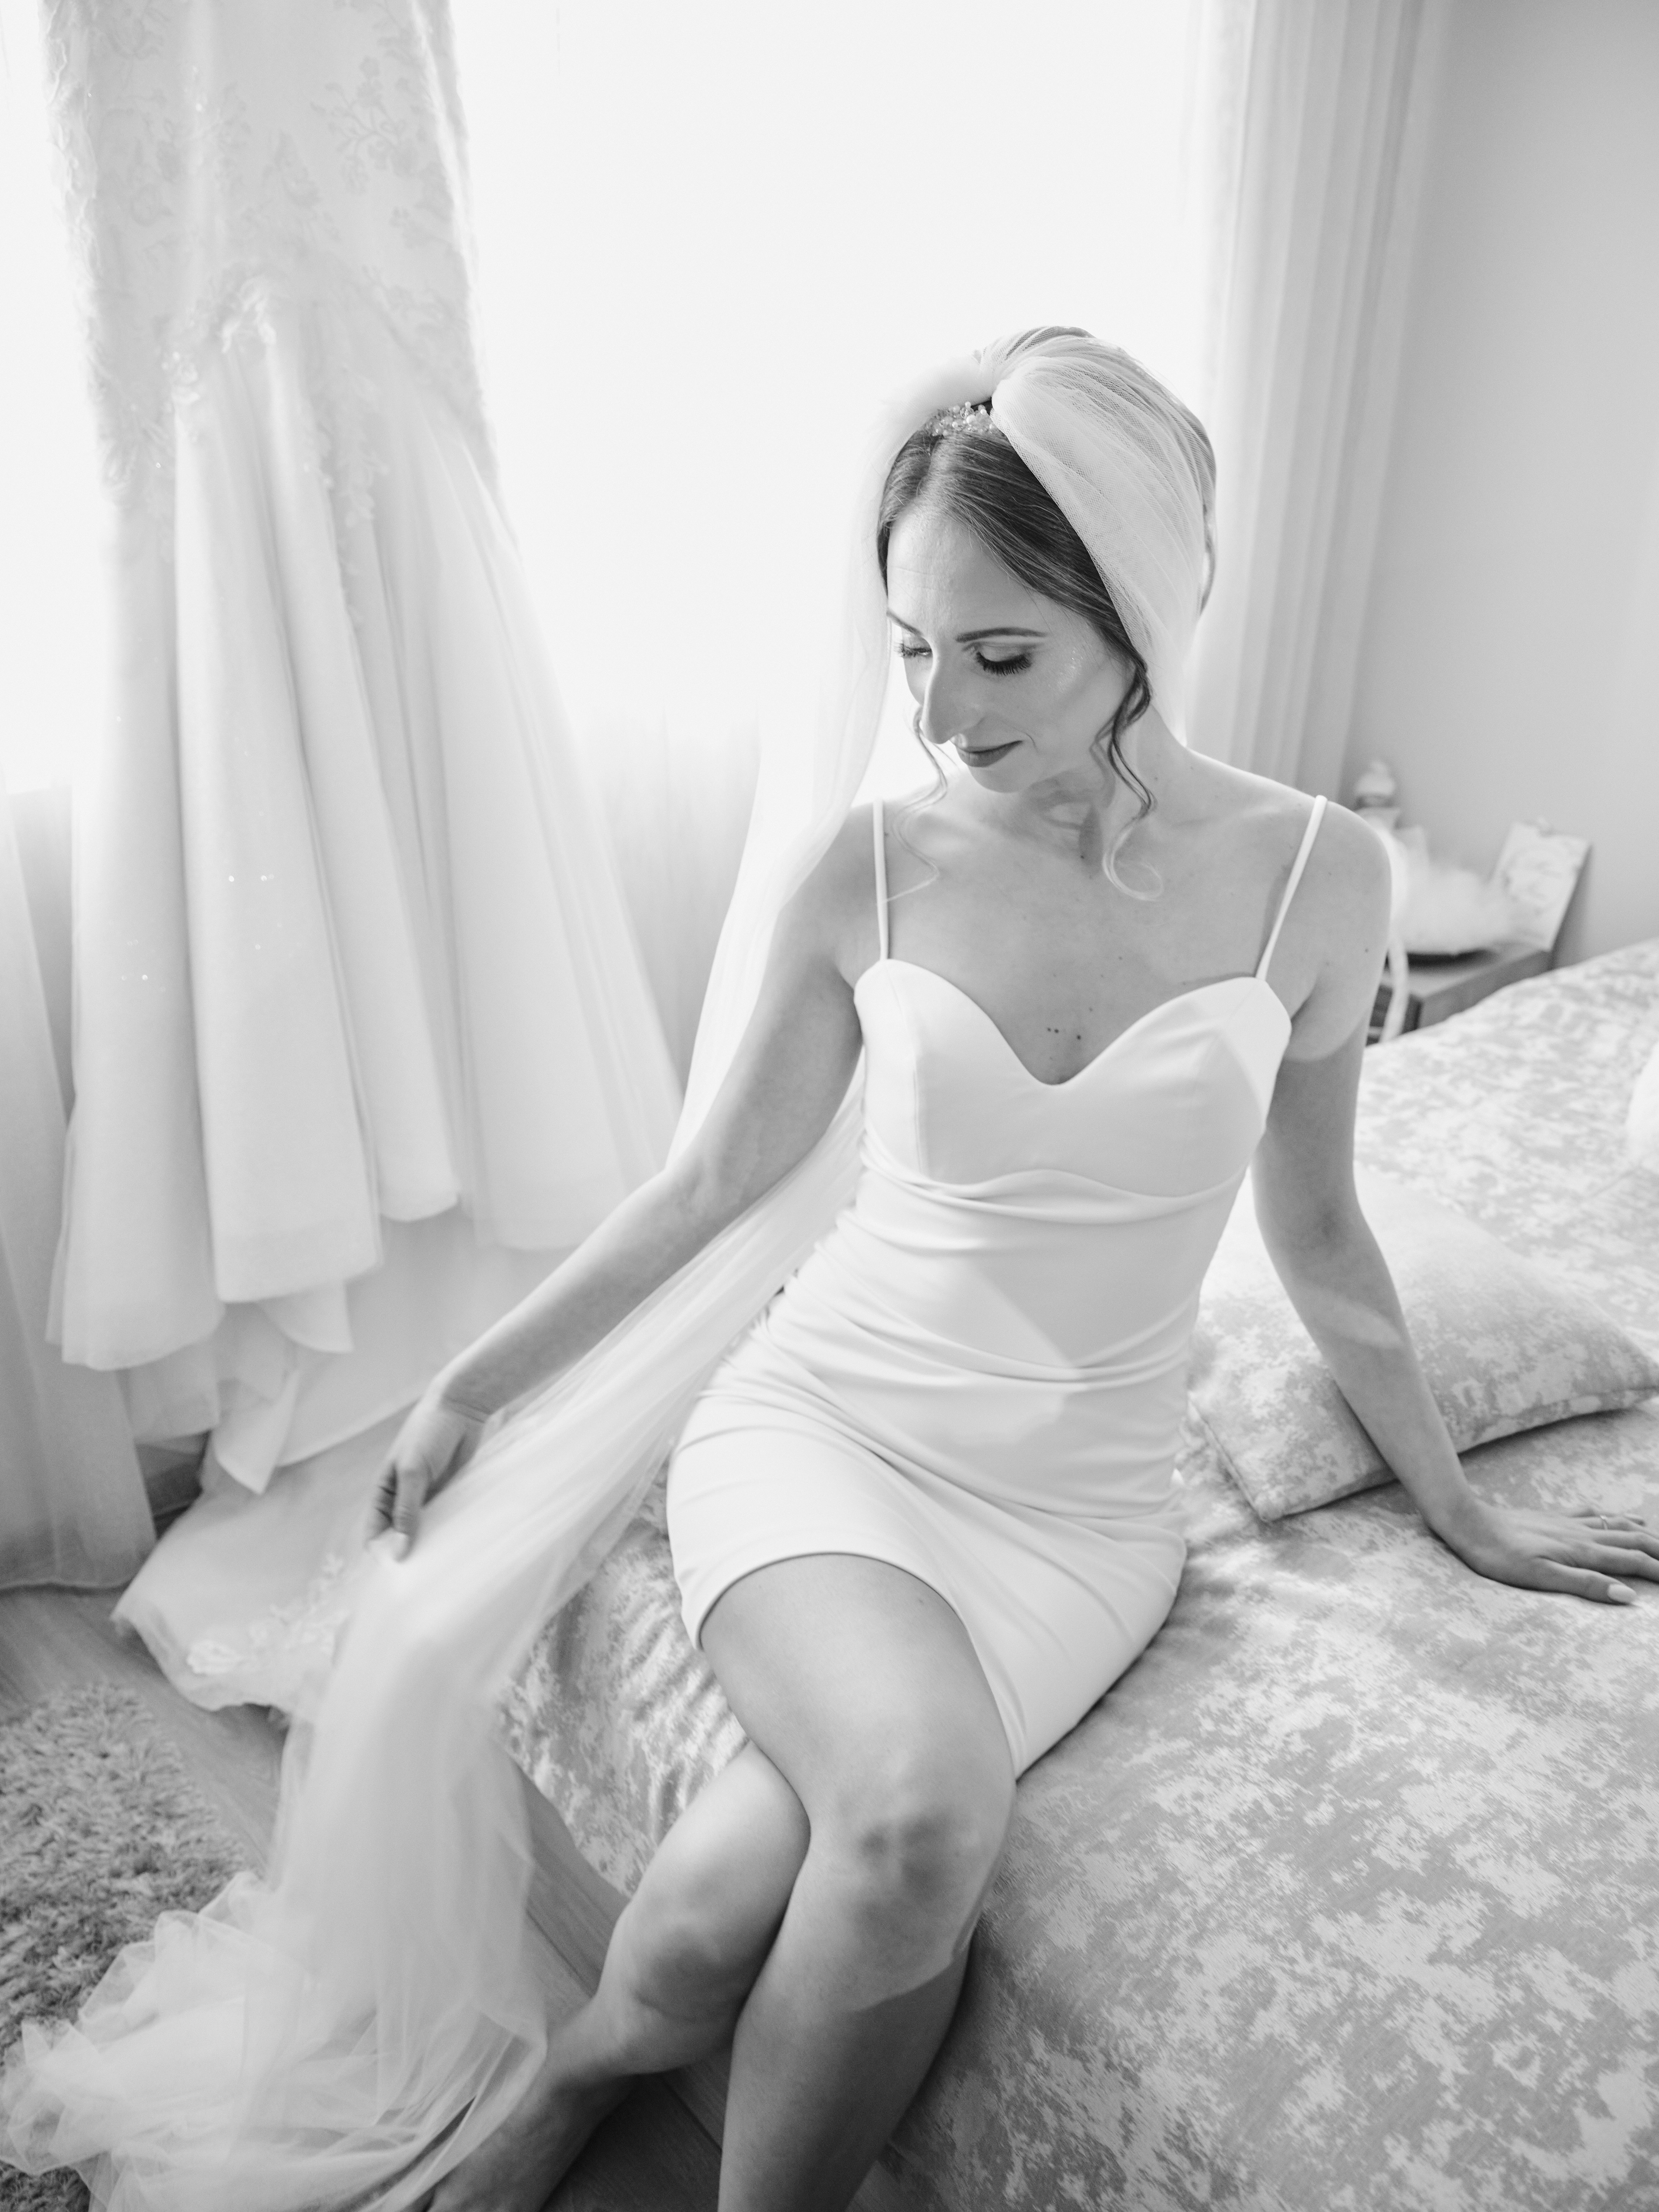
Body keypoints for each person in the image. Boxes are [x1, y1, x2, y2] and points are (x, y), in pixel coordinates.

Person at [5, 331, 1653, 2212]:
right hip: (832, 1434)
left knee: (736, 1888)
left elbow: (1327, 1233)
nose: (944, 707)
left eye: (1001, 653)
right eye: (912, 648)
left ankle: (586, 2069)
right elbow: (713, 1181)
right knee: (922, 1814)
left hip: (1080, 1513)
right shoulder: (872, 868)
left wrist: (1461, 1503)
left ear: (1139, 614)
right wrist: (472, 1382)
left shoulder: (1317, 879)